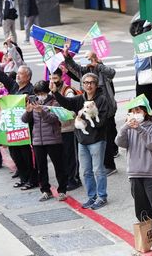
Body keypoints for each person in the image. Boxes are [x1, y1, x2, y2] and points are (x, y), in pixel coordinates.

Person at [115, 95, 152, 251]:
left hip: (151, 174)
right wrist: (126, 126)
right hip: (134, 173)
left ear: (145, 112)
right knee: (141, 208)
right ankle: (149, 235)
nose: (135, 113)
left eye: (138, 110)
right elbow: (119, 142)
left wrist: (139, 129)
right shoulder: (128, 128)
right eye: (133, 111)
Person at [50, 72, 109, 210]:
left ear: (96, 84)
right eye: (86, 83)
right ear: (82, 85)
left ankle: (102, 196)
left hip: (97, 140)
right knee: (86, 171)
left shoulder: (101, 100)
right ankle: (92, 196)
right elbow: (67, 103)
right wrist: (55, 93)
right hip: (82, 140)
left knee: (98, 170)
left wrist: (86, 116)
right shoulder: (80, 98)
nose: (88, 85)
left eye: (91, 82)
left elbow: (102, 121)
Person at [63, 46, 117, 175]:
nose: (86, 61)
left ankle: (110, 165)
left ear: (95, 58)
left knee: (107, 138)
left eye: (88, 58)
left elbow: (112, 73)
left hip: (106, 111)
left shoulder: (102, 69)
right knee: (98, 137)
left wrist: (97, 65)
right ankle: (103, 162)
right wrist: (67, 56)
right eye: (85, 59)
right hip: (90, 112)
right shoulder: (85, 72)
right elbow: (75, 68)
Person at [0, 60, 38, 188]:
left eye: (21, 74)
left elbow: (34, 105)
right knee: (15, 154)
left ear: (28, 77)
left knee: (27, 156)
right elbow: (1, 76)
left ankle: (32, 180)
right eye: (18, 73)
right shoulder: (14, 86)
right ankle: (23, 178)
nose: (18, 76)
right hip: (12, 128)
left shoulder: (31, 90)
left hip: (26, 129)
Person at [22, 80, 68, 202]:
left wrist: (41, 111)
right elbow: (24, 120)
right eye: (38, 93)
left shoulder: (54, 102)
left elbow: (54, 119)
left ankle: (62, 190)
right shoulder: (34, 102)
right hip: (38, 140)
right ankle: (45, 190)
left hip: (53, 139)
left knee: (59, 166)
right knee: (41, 167)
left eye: (42, 93)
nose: (40, 96)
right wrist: (28, 111)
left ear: (47, 92)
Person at [50, 69, 82, 191]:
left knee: (71, 156)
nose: (53, 81)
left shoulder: (68, 91)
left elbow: (71, 108)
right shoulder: (52, 91)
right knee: (63, 156)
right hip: (59, 129)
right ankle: (68, 178)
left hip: (69, 128)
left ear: (61, 77)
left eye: (55, 78)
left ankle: (74, 179)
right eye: (51, 78)